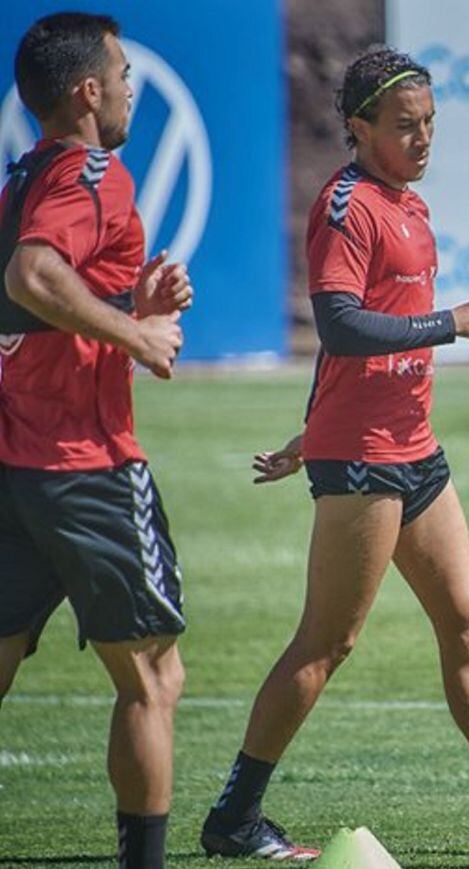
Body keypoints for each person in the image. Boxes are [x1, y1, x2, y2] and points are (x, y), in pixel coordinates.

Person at [200, 46, 469, 862]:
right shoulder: (347, 206)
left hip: (412, 447)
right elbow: (339, 326)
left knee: (468, 625)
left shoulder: (409, 203)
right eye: (405, 126)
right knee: (327, 642)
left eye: (431, 123)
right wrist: (450, 323)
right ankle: (234, 815)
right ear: (358, 129)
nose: (424, 138)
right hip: (364, 459)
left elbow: (355, 346)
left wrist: (305, 433)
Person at [0, 13, 193, 869]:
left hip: (15, 460)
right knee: (153, 677)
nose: (127, 89)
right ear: (88, 92)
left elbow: (33, 303)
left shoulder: (21, 179)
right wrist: (136, 335)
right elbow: (34, 276)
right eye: (120, 75)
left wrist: (131, 298)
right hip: (85, 465)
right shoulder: (93, 171)